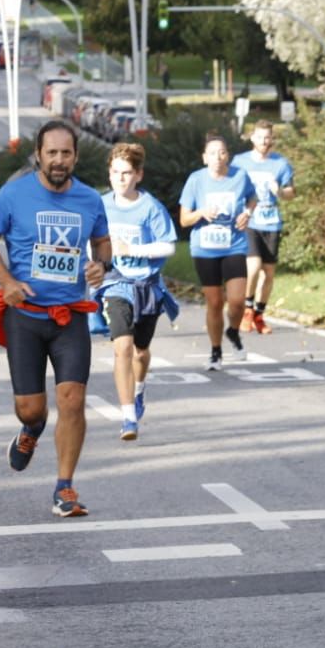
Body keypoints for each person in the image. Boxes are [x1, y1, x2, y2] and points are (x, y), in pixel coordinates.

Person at [0, 119, 111, 518]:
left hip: (70, 317)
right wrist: (7, 281)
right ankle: (31, 431)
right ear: (38, 155)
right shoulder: (14, 194)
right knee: (31, 409)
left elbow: (102, 242)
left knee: (73, 399)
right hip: (26, 317)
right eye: (51, 152)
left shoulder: (89, 199)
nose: (58, 160)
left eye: (65, 153)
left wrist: (101, 264)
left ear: (75, 157)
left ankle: (64, 487)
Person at [92, 143, 178, 440]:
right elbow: (88, 240)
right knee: (123, 347)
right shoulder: (100, 204)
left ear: (138, 175)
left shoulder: (150, 207)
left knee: (141, 351)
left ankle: (139, 390)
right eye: (115, 172)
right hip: (116, 282)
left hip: (147, 286)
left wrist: (133, 249)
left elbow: (168, 245)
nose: (120, 178)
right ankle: (128, 417)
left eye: (127, 173)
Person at [179, 133, 256, 371]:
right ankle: (216, 351)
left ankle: (232, 331)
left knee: (236, 301)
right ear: (205, 158)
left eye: (221, 152)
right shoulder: (196, 180)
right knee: (214, 302)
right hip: (205, 248)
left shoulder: (240, 176)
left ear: (228, 156)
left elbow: (252, 198)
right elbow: (184, 219)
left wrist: (247, 213)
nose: (217, 157)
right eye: (212, 153)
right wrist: (201, 212)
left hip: (233, 244)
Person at [232, 120, 295, 335]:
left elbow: (291, 193)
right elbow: (231, 186)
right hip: (249, 221)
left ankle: (259, 314)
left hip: (272, 222)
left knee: (268, 273)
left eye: (268, 137)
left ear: (272, 139)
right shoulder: (239, 162)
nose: (264, 141)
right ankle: (247, 309)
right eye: (260, 137)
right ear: (253, 138)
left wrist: (279, 191)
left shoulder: (280, 163)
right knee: (254, 266)